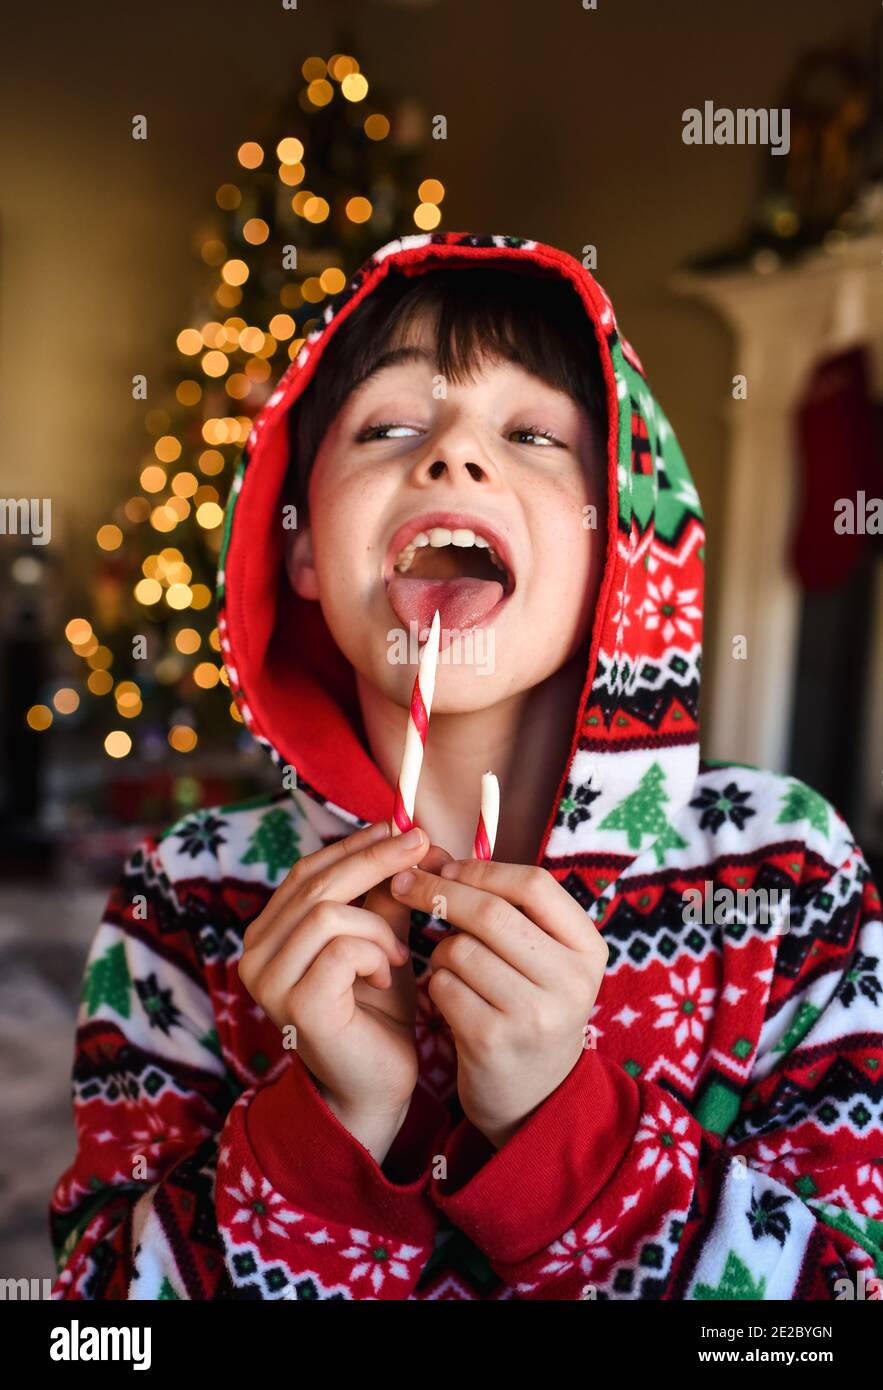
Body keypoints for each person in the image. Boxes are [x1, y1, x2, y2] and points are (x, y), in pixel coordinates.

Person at [50, 232, 883, 1301]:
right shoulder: (185, 896)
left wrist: (563, 1131)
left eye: (533, 432)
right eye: (389, 425)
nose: (451, 456)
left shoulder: (790, 878)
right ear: (300, 546)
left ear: (616, 546)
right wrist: (320, 1133)